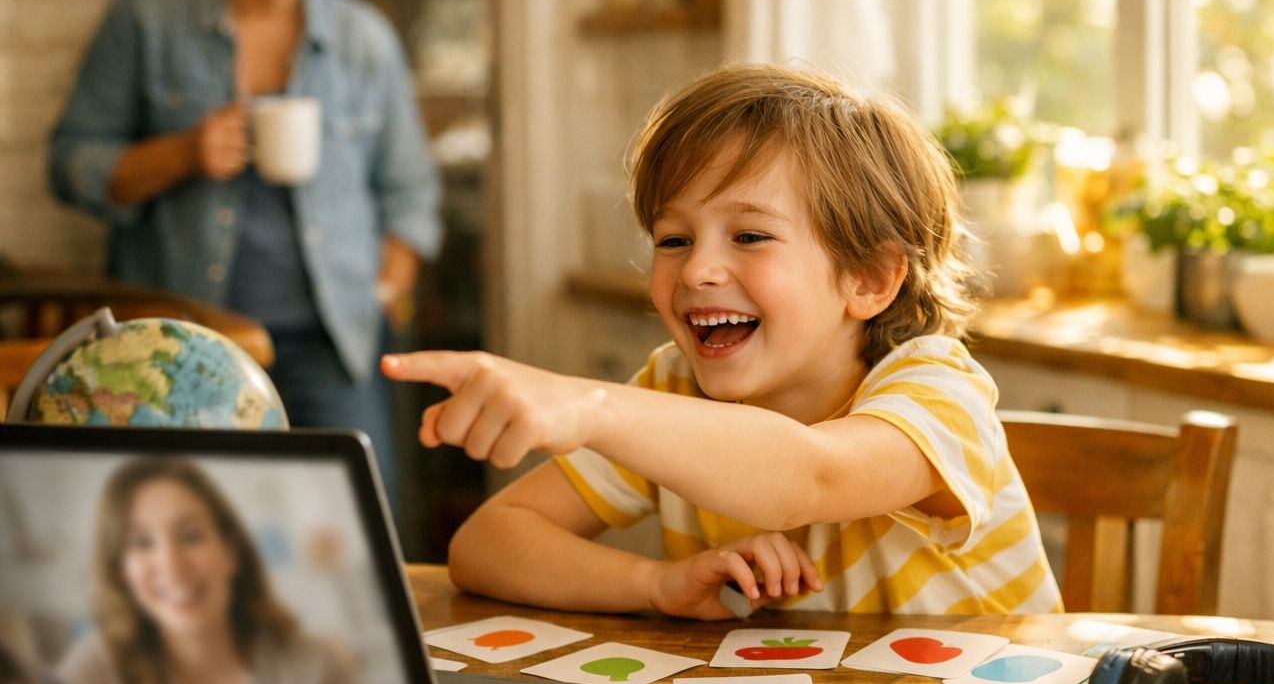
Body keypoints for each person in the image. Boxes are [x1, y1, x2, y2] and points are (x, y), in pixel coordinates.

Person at [383, 64, 1063, 620]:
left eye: (749, 236)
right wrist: (656, 585)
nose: (698, 269)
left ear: (869, 277)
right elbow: (486, 546)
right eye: (672, 239)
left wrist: (591, 406)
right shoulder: (675, 388)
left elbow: (807, 478)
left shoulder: (938, 390)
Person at [47, 0, 442, 506]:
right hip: (174, 344)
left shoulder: (364, 39)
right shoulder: (147, 16)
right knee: (173, 525)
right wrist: (182, 153)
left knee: (352, 532)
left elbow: (411, 195)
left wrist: (380, 297)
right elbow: (69, 164)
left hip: (330, 345)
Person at [56, 457, 395, 684]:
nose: (171, 566)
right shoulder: (94, 669)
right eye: (141, 543)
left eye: (190, 536)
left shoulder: (316, 667)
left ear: (231, 551)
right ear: (120, 573)